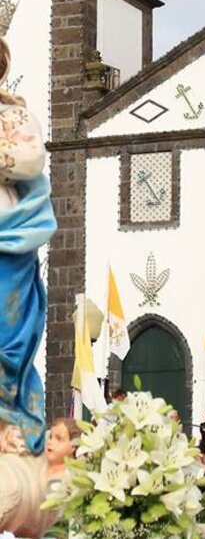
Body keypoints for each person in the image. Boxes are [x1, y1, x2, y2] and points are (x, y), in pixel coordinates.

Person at [0, 33, 56, 456]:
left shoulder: (14, 116)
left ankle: (9, 423)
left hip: (7, 234)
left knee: (8, 333)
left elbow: (30, 158)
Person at [0, 416, 78, 536]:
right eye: (50, 437)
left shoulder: (70, 480)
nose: (50, 442)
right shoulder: (37, 456)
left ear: (73, 446)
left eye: (59, 439)